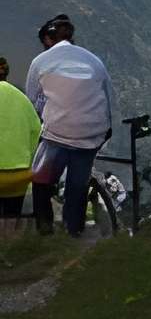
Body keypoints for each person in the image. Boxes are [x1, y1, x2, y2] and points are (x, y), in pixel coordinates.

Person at [23, 15, 113, 239]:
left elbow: (31, 101)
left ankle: (45, 229)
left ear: (47, 39)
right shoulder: (94, 61)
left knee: (41, 179)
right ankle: (74, 230)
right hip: (92, 134)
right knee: (78, 184)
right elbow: (108, 97)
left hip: (59, 134)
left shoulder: (41, 62)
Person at [0, 57, 40, 231]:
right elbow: (37, 133)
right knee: (10, 217)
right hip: (19, 177)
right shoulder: (22, 99)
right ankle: (9, 247)